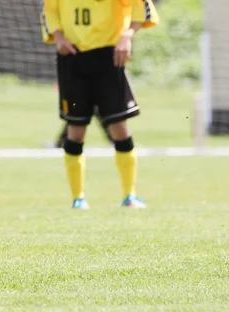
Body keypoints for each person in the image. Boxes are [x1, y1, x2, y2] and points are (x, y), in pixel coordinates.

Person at [40, 0, 158, 209]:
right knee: (75, 130)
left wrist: (127, 35)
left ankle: (129, 196)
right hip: (73, 58)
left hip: (109, 56)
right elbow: (49, 10)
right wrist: (58, 37)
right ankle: (78, 199)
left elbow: (143, 8)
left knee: (119, 127)